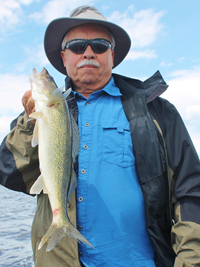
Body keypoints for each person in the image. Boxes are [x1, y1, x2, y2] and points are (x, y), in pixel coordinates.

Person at [0, 5, 200, 267]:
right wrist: (29, 121)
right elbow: (10, 172)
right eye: (77, 46)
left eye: (99, 45)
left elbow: (191, 192)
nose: (89, 52)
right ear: (63, 56)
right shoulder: (40, 116)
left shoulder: (156, 112)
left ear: (112, 55)